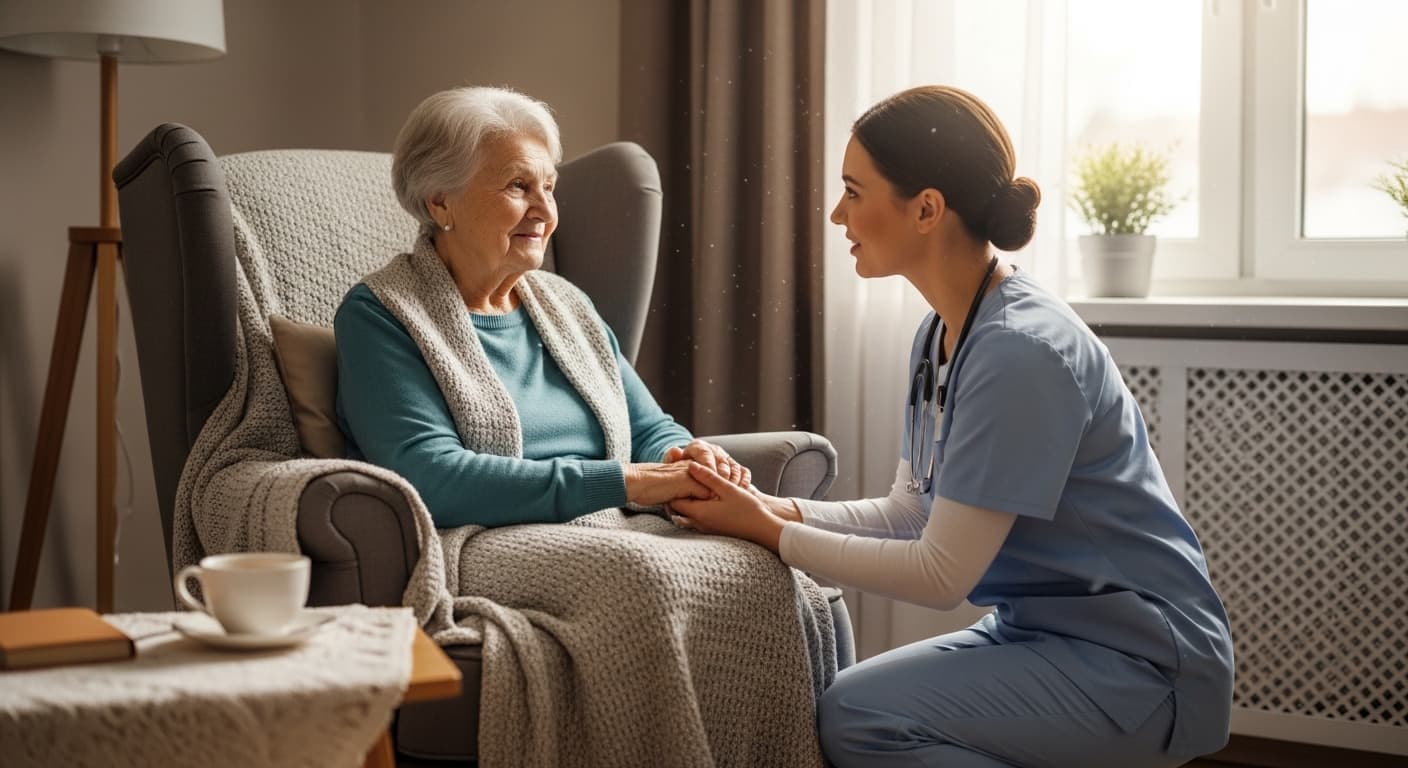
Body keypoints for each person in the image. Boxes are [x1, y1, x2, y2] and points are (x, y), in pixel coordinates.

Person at [672, 85, 1235, 767]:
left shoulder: (1021, 350)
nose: (834, 214)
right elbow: (912, 512)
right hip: (1043, 634)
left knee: (863, 719)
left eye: (854, 191)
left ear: (927, 209)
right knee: (848, 706)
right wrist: (771, 506)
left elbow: (940, 576)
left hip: (1144, 664)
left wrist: (767, 530)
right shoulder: (942, 334)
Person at [335, 86, 746, 528]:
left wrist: (684, 458)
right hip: (496, 536)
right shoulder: (382, 314)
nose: (545, 211)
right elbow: (431, 478)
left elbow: (647, 427)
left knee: (761, 555)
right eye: (519, 186)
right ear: (440, 201)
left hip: (618, 524)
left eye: (549, 187)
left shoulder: (567, 304)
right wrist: (629, 482)